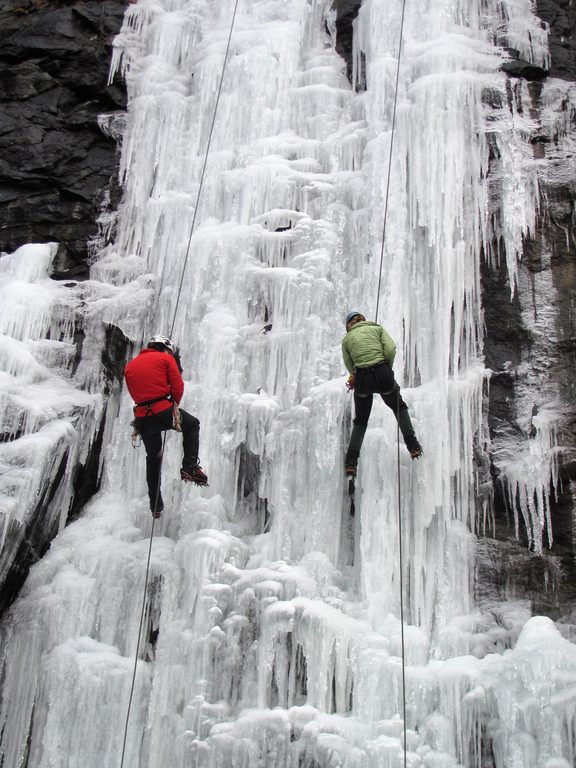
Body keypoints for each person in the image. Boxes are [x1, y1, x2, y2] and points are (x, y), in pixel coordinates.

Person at [124, 335, 208, 517]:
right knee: (192, 425)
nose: (170, 354)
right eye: (169, 352)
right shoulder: (165, 358)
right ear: (165, 348)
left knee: (154, 457)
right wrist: (174, 407)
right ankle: (190, 467)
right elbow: (177, 386)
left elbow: (133, 391)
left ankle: (155, 505)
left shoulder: (130, 365)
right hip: (162, 410)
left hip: (142, 418)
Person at [342, 311, 422, 476]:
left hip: (363, 379)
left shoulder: (347, 339)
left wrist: (356, 375)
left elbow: (349, 364)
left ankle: (351, 462)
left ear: (349, 324)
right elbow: (391, 348)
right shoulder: (377, 329)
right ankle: (413, 445)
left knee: (361, 422)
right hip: (382, 372)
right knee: (399, 407)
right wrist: (387, 367)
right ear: (363, 320)